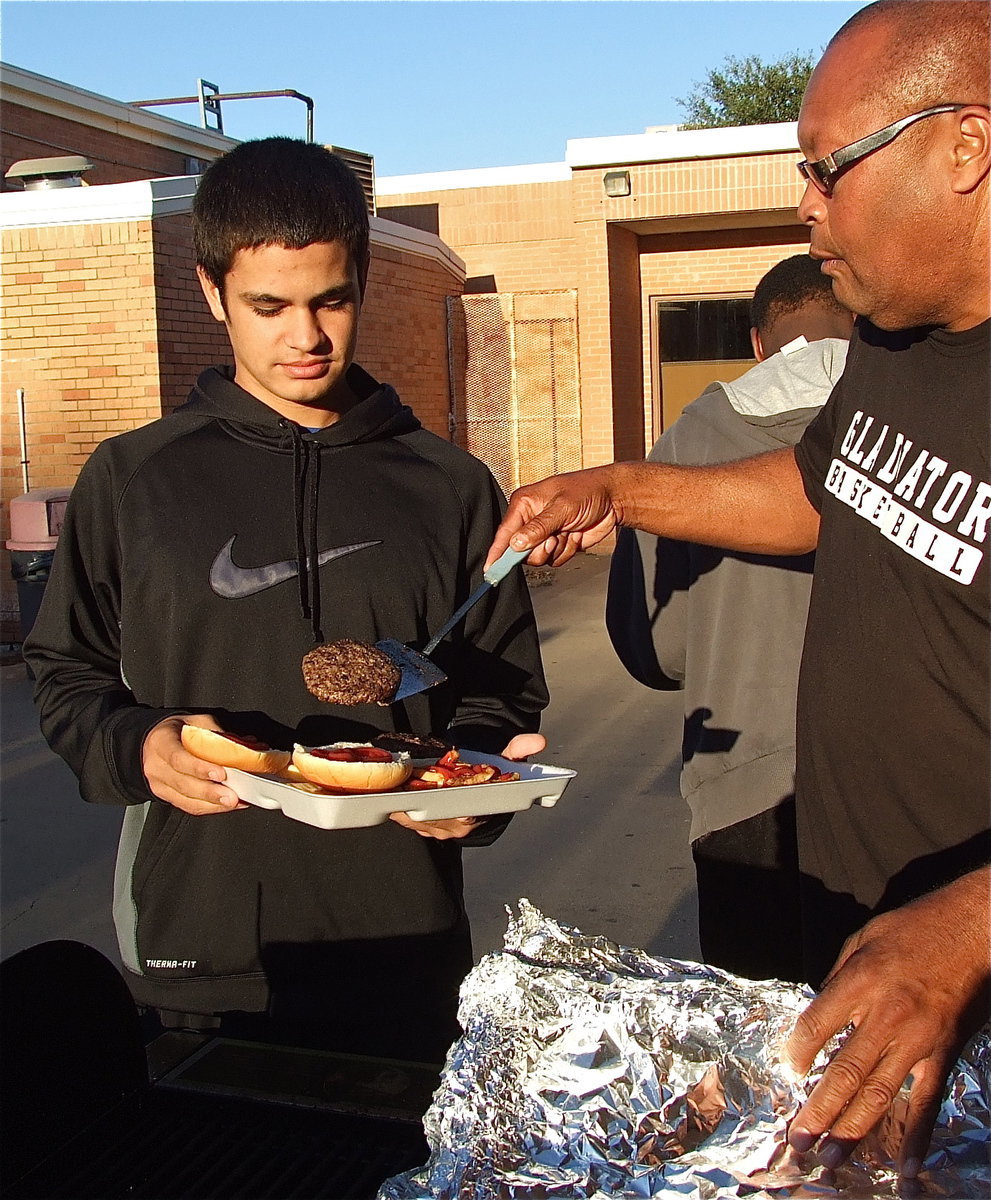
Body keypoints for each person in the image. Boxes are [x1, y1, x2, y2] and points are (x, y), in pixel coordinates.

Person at [484, 0, 989, 1179]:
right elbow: (821, 490)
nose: (802, 205)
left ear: (965, 146)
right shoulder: (899, 338)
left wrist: (964, 932)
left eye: (828, 168)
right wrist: (617, 488)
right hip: (866, 947)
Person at [23, 137, 549, 1065]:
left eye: (330, 300)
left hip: (404, 943)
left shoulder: (450, 485)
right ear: (210, 289)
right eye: (268, 306)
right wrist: (135, 745)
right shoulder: (134, 478)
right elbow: (63, 671)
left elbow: (498, 684)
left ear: (362, 280)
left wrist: (477, 783)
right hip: (201, 947)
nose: (304, 338)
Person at [606, 254, 853, 984]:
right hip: (908, 797)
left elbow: (655, 648)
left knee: (769, 1055)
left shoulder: (692, 438)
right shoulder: (909, 411)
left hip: (745, 793)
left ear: (755, 341)